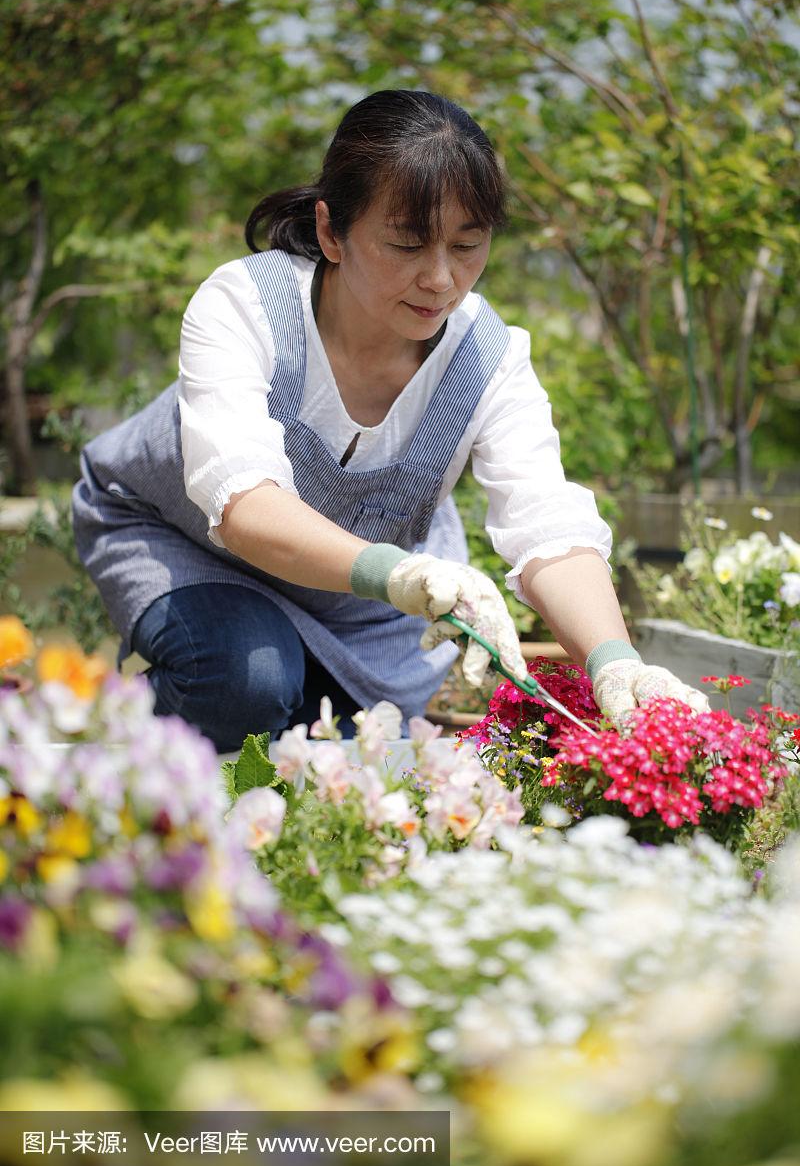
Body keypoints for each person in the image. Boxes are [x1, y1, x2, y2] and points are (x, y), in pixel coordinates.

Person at [72, 89, 708, 752]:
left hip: (362, 614)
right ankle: (81, 748)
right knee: (248, 681)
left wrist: (615, 662)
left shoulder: (487, 358)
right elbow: (245, 507)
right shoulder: (244, 307)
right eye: (407, 243)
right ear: (329, 231)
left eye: (468, 244)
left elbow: (546, 523)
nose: (441, 278)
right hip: (185, 544)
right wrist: (398, 575)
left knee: (346, 755)